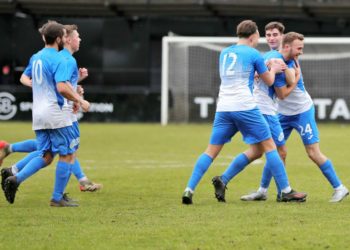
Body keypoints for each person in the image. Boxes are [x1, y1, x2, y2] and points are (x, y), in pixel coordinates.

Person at [181, 20, 307, 205]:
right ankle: (285, 191)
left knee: (211, 151)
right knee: (271, 147)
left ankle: (189, 190)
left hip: (223, 108)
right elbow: (271, 81)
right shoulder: (254, 53)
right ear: (253, 36)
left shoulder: (224, 53)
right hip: (246, 108)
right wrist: (272, 69)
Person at [0, 23, 101, 193]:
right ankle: (63, 192)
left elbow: (60, 84)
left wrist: (76, 86)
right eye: (77, 36)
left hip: (46, 111)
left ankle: (14, 171)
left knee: (48, 152)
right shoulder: (63, 59)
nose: (80, 39)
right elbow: (60, 86)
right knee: (66, 151)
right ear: (64, 39)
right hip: (59, 111)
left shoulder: (40, 56)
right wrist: (79, 100)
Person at [212, 21, 301, 203]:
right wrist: (295, 75)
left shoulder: (267, 56)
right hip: (265, 109)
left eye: (275, 34)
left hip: (256, 106)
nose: (271, 38)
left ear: (282, 36)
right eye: (268, 35)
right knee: (280, 150)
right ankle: (283, 192)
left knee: (257, 151)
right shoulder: (275, 57)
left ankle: (225, 179)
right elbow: (282, 92)